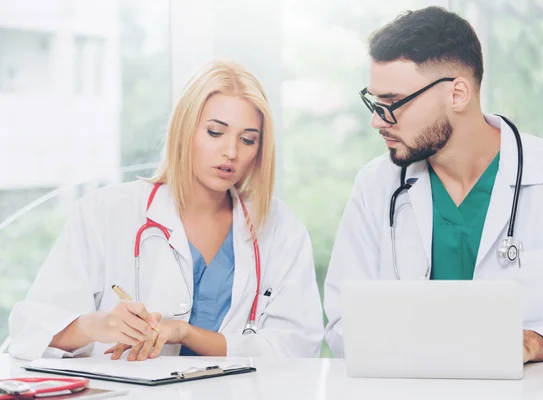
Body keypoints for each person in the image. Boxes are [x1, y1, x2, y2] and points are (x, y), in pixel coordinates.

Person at [324, 6, 543, 363]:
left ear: (457, 94)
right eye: (375, 102)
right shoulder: (376, 185)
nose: (378, 121)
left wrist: (542, 341)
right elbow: (343, 321)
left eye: (393, 103)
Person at [9, 60, 324, 361]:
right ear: (185, 129)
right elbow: (29, 330)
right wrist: (97, 325)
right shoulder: (105, 213)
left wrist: (186, 333)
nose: (231, 152)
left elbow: (296, 347)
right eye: (215, 132)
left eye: (248, 139)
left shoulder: (280, 228)